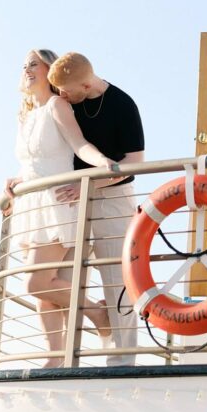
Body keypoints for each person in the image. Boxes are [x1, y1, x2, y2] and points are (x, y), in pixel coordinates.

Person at [4, 49, 120, 367]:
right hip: (32, 205)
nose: (27, 70)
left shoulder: (58, 105)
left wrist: (103, 163)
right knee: (46, 290)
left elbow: (78, 144)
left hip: (58, 202)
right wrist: (15, 180)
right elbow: (31, 163)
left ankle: (98, 313)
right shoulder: (25, 115)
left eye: (33, 65)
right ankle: (56, 357)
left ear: (49, 70)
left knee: (35, 283)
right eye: (23, 65)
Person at [48, 52, 144, 367]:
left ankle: (122, 362)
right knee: (63, 276)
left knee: (117, 278)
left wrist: (90, 185)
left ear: (87, 84)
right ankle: (65, 358)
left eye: (67, 91)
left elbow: (134, 163)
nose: (61, 97)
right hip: (70, 199)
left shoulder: (123, 105)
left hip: (113, 197)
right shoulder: (66, 98)